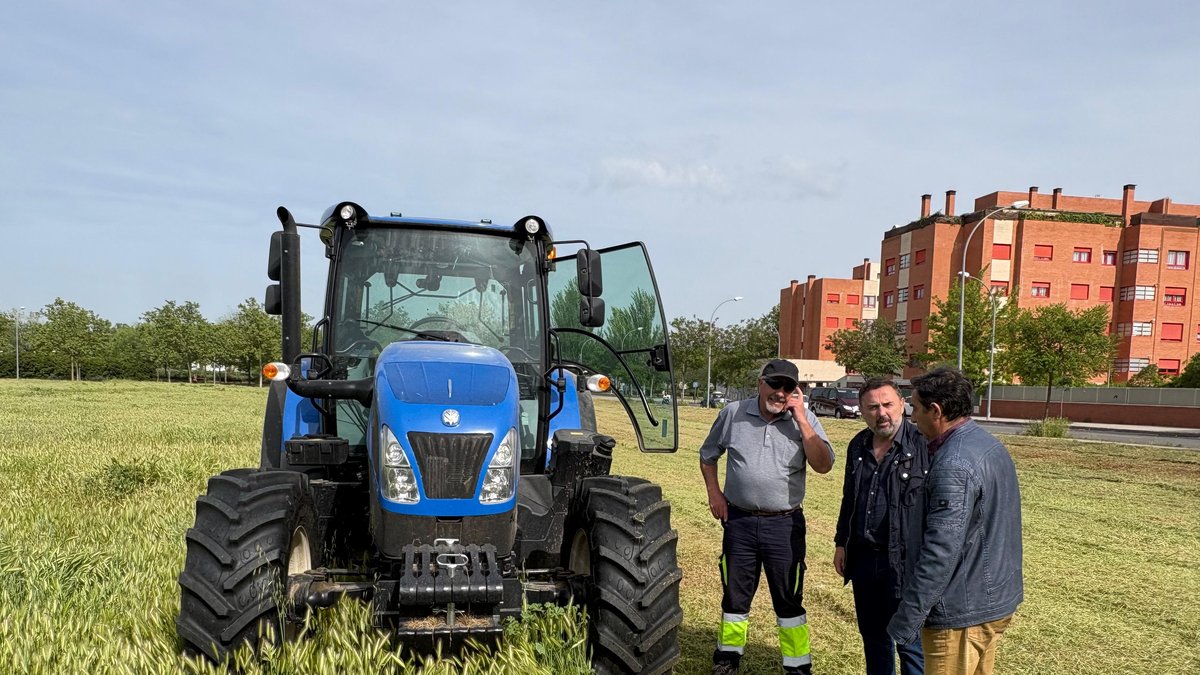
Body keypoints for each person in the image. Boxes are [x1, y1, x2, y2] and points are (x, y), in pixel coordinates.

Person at [700, 359, 836, 675]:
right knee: (735, 596)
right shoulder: (733, 414)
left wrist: (801, 418)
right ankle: (727, 659)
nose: (781, 392)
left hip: (785, 526)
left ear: (796, 391)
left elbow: (824, 465)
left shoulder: (807, 420)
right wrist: (714, 493)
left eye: (789, 387)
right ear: (761, 383)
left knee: (789, 599)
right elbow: (708, 457)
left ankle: (797, 666)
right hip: (740, 522)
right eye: (775, 384)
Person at [887, 368, 1023, 675]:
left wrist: (907, 618)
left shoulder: (954, 465)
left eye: (916, 410)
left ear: (936, 411)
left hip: (961, 614)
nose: (912, 418)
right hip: (989, 602)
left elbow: (940, 551)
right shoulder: (987, 444)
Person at [834, 378, 929, 675]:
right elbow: (849, 498)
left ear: (902, 404)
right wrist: (841, 542)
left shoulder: (922, 444)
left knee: (909, 642)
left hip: (903, 560)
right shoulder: (858, 445)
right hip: (863, 557)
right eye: (873, 407)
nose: (882, 413)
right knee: (873, 639)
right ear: (862, 410)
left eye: (888, 404)